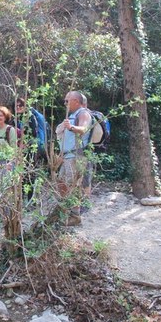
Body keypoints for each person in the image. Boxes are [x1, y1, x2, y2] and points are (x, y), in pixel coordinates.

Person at [55, 91, 93, 226]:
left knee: (72, 186)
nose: (65, 103)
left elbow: (83, 128)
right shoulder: (72, 115)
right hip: (67, 156)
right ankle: (65, 212)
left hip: (75, 156)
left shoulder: (83, 113)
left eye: (67, 101)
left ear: (76, 101)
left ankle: (75, 216)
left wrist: (71, 127)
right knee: (62, 184)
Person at [0, 106, 18, 191]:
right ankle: (0, 204)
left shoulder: (10, 129)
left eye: (1, 115)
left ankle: (9, 204)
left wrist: (10, 163)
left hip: (7, 162)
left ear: (5, 117)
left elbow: (14, 148)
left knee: (6, 188)